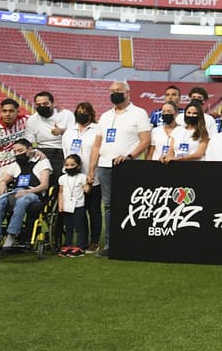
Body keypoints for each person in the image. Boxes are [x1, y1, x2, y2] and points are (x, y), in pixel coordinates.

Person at [88, 80, 151, 257]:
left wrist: (130, 156)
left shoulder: (139, 113)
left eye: (118, 90)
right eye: (112, 90)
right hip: (104, 166)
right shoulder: (106, 116)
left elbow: (146, 140)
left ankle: (131, 240)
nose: (114, 93)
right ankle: (111, 244)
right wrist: (92, 169)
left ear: (127, 93)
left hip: (127, 166)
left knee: (130, 204)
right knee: (108, 206)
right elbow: (97, 145)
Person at [0, 138, 53, 251]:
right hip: (17, 191)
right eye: (15, 151)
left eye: (20, 151)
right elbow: (4, 180)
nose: (17, 154)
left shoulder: (43, 163)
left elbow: (44, 185)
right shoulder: (15, 165)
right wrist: (2, 184)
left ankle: (12, 235)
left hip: (33, 193)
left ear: (30, 149)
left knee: (22, 200)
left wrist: (27, 192)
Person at [62, 101, 101, 252]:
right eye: (79, 111)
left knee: (94, 210)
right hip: (74, 178)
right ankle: (82, 241)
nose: (81, 114)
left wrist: (92, 171)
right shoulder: (69, 132)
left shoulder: (98, 130)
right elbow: (66, 153)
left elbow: (99, 152)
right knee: (79, 210)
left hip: (93, 177)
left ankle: (95, 241)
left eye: (85, 111)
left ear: (91, 114)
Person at [26, 90, 71, 175]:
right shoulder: (32, 120)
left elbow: (75, 134)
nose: (42, 106)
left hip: (63, 149)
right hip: (42, 150)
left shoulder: (66, 115)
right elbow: (31, 142)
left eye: (45, 104)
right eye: (38, 105)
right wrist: (36, 149)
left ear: (52, 103)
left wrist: (63, 131)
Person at [56, 154, 88, 257]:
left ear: (78, 166)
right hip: (67, 206)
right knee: (68, 226)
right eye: (67, 165)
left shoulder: (82, 177)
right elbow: (60, 192)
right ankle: (68, 244)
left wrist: (89, 183)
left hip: (78, 206)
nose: (69, 167)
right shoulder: (62, 178)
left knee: (79, 227)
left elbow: (86, 190)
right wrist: (60, 204)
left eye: (72, 165)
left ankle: (80, 246)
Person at [0, 98, 28, 167]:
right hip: (1, 166)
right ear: (0, 112)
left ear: (17, 111)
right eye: (4, 111)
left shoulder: (26, 120)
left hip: (23, 164)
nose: (7, 114)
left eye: (11, 111)